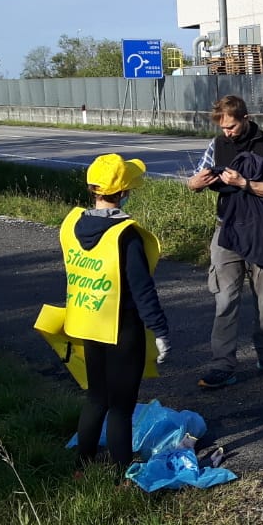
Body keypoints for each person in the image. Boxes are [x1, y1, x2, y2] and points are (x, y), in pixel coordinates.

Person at [185, 95, 263, 388]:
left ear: (246, 118)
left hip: (262, 231)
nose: (227, 132)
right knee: (225, 299)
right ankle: (222, 365)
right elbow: (192, 181)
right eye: (223, 127)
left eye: (232, 126)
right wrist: (198, 183)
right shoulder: (217, 145)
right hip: (226, 229)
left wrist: (243, 184)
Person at [61, 153, 171, 472]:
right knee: (121, 407)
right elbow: (142, 289)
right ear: (124, 192)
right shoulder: (126, 235)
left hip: (89, 323)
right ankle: (123, 474)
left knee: (96, 398)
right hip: (123, 329)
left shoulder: (73, 225)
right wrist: (160, 331)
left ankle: (82, 466)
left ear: (93, 189)